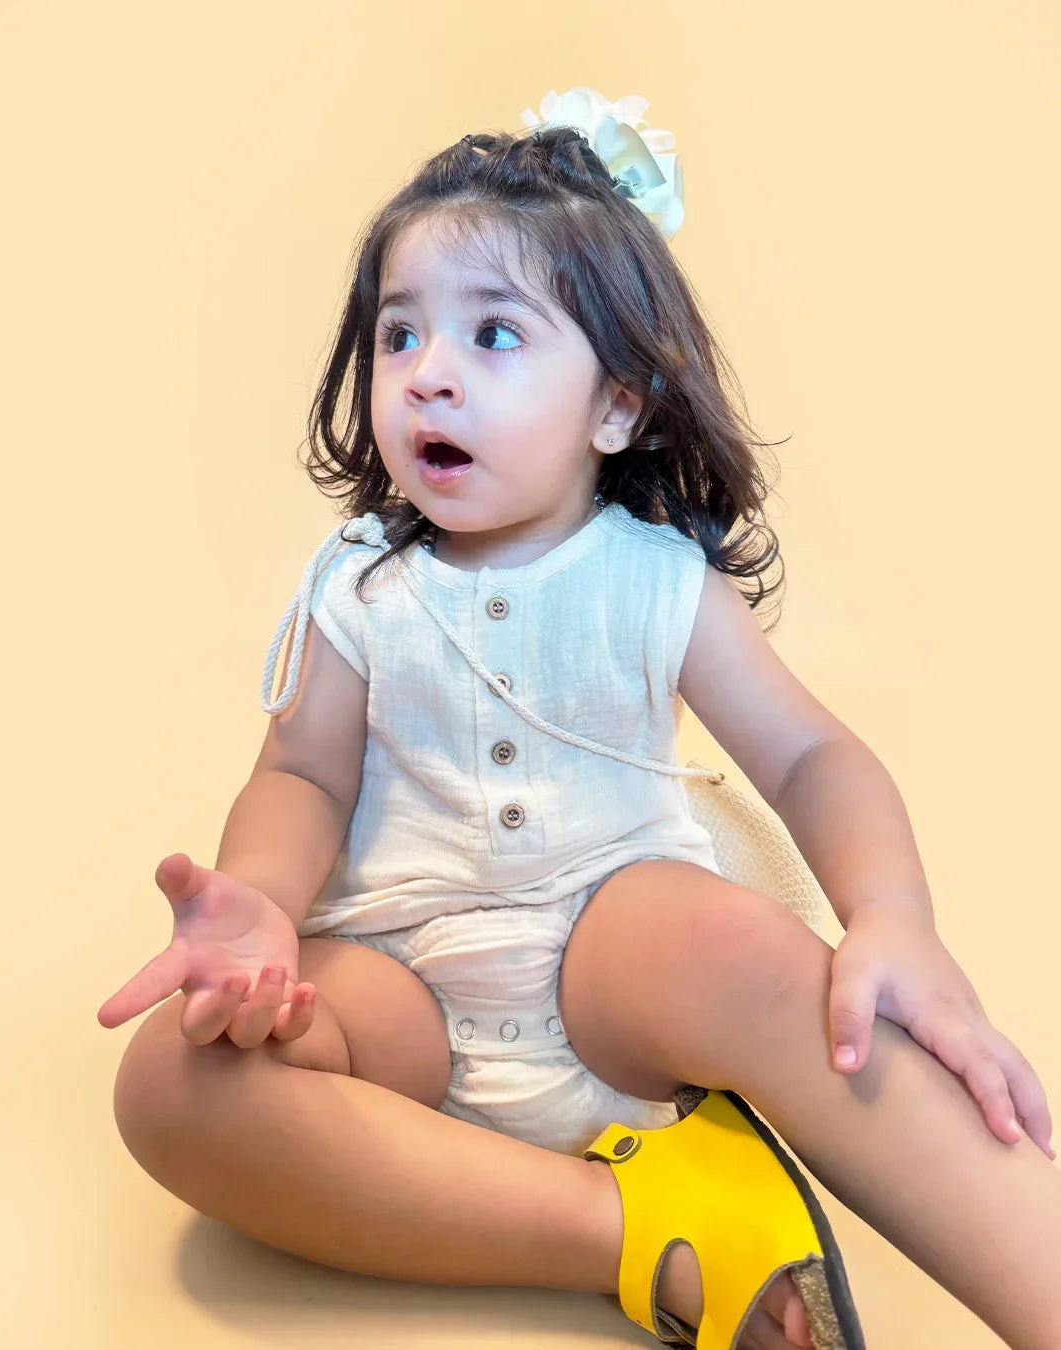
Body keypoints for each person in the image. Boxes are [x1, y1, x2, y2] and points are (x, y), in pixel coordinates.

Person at [99, 89, 1061, 1350]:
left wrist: (894, 921)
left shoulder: (652, 579)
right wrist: (265, 909)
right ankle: (635, 1229)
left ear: (617, 405)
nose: (428, 373)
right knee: (172, 1084)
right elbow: (303, 777)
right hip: (400, 1006)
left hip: (619, 973)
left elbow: (812, 754)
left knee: (789, 975)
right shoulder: (358, 587)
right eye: (400, 336)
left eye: (493, 335)